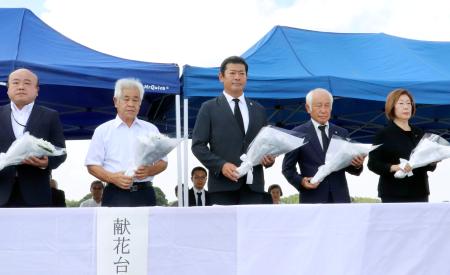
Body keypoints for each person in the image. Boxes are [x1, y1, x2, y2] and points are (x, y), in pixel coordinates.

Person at [191, 56, 275, 205]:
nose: (237, 77)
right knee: (224, 228)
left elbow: (265, 145)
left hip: (253, 187)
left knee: (252, 228)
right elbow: (198, 145)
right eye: (232, 73)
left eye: (242, 73)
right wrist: (221, 165)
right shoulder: (209, 108)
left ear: (247, 77)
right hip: (222, 187)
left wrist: (269, 159)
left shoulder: (258, 109)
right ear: (221, 77)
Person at [85, 78, 168, 207]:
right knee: (116, 228)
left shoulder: (151, 129)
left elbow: (163, 162)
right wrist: (112, 178)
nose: (131, 104)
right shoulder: (102, 131)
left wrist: (149, 171)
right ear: (115, 101)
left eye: (135, 100)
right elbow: (92, 165)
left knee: (145, 228)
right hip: (115, 193)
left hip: (144, 193)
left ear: (140, 103)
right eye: (126, 99)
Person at [282, 88, 365, 203]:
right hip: (312, 198)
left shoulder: (342, 133)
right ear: (308, 108)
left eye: (327, 105)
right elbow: (287, 169)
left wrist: (357, 165)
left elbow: (348, 166)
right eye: (318, 105)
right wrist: (301, 181)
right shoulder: (298, 133)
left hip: (340, 199)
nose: (323, 110)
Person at [0, 68, 66, 207]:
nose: (21, 87)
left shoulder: (50, 115)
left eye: (27, 83)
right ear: (8, 89)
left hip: (36, 193)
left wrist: (46, 162)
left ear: (37, 90)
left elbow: (61, 152)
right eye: (15, 83)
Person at [368, 89, 436, 203]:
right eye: (401, 103)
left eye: (409, 103)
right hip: (393, 193)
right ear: (392, 107)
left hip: (420, 192)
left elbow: (429, 166)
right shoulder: (384, 134)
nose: (406, 107)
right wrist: (395, 167)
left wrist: (433, 160)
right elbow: (373, 164)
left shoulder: (419, 133)